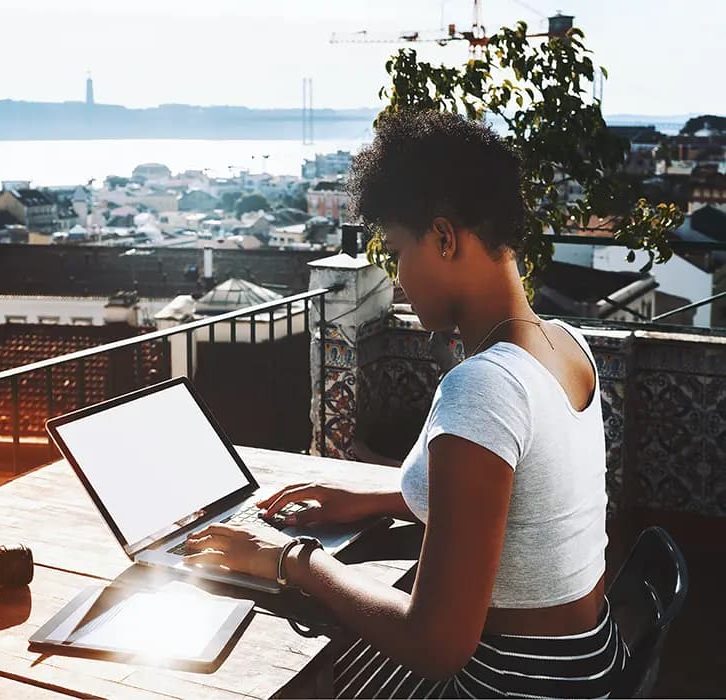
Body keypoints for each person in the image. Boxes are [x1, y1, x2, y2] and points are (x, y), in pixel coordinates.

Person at [184, 110, 628, 698]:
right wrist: (370, 501)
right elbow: (519, 503)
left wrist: (291, 558)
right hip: (590, 662)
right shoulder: (566, 344)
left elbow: (435, 645)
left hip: (516, 683)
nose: (396, 278)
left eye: (396, 251)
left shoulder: (486, 387)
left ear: (444, 238)